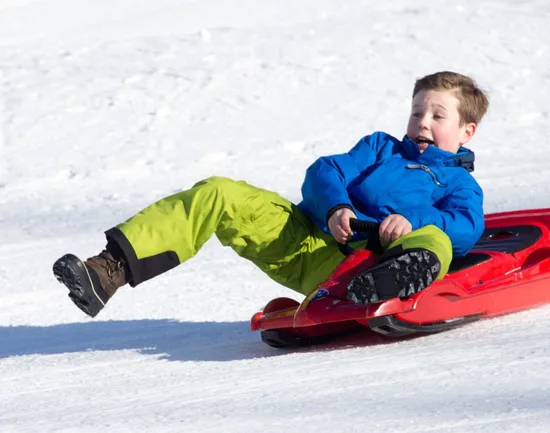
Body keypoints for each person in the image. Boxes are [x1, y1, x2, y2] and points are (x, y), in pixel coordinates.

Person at [52, 71, 489, 318]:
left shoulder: (458, 184)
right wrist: (335, 207)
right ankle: (107, 271)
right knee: (219, 192)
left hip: (375, 259)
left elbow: (468, 228)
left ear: (467, 131)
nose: (422, 122)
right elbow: (325, 172)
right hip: (312, 249)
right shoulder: (379, 147)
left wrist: (412, 223)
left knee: (435, 238)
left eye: (437, 115)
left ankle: (392, 282)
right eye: (417, 112)